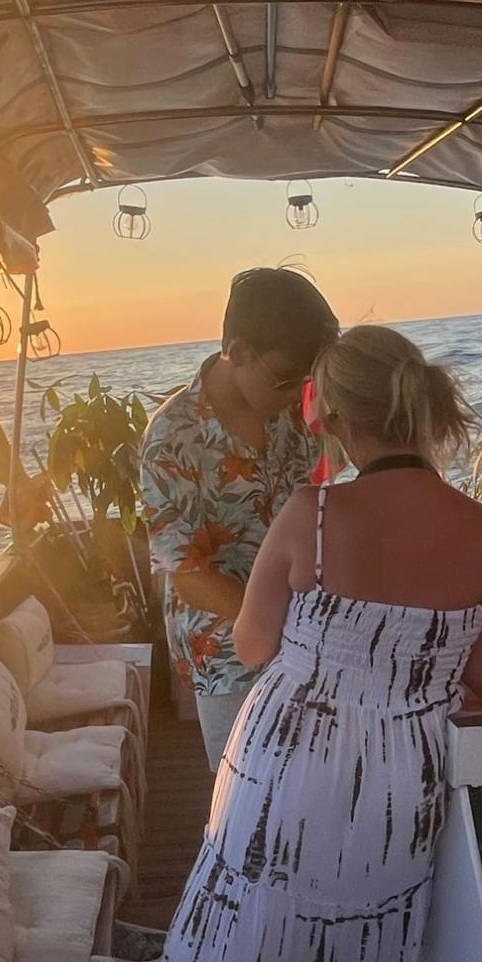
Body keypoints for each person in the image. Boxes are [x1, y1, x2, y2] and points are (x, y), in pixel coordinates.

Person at [134, 325, 482, 962]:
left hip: (291, 774)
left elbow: (253, 647)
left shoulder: (311, 517)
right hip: (400, 791)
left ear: (335, 415)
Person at [140, 267, 340, 770]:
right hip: (227, 654)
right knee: (241, 797)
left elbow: (313, 511)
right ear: (239, 351)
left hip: (303, 640)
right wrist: (282, 626)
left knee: (309, 782)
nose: (298, 393)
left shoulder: (292, 416)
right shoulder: (172, 438)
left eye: (307, 380)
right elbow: (189, 578)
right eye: (286, 377)